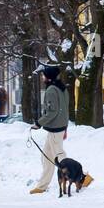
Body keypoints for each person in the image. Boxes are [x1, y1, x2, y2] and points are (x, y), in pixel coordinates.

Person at [29, 65, 71, 195]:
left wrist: (38, 123)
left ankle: (82, 177)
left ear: (48, 77)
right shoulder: (62, 88)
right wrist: (65, 127)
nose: (42, 77)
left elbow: (52, 112)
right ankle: (42, 186)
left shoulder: (51, 90)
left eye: (43, 75)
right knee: (46, 157)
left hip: (55, 129)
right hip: (59, 127)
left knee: (60, 157)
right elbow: (65, 109)